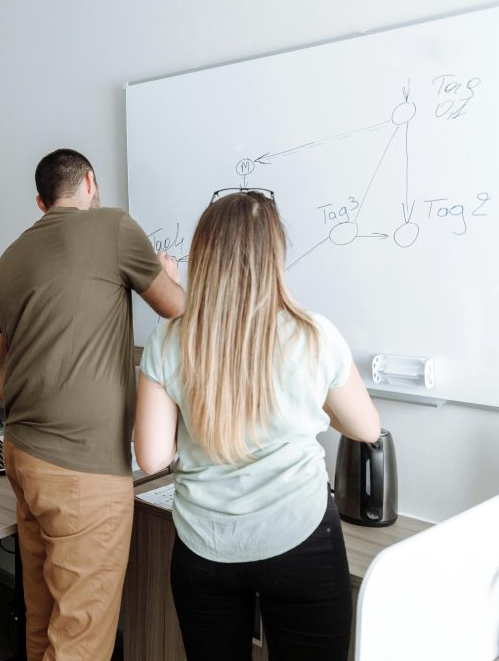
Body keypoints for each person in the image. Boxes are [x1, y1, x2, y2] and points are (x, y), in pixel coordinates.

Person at [134, 189, 381, 661]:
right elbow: (367, 429)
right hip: (301, 536)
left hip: (204, 546)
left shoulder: (168, 340)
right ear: (275, 254)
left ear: (203, 256)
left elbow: (151, 457)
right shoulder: (314, 334)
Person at [0, 148, 185, 661]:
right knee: (81, 639)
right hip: (84, 470)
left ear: (41, 202)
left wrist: (38, 394)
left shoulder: (6, 262)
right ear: (90, 183)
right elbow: (178, 310)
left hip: (23, 455)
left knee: (43, 617)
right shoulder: (113, 227)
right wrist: (168, 272)